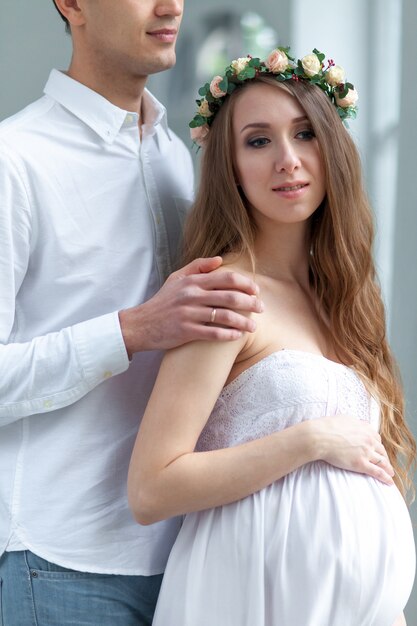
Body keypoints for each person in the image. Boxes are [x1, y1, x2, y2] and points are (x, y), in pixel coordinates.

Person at [128, 46, 416, 625]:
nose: (288, 159)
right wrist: (308, 441)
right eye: (258, 141)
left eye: (305, 134)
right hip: (245, 597)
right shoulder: (227, 292)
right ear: (230, 166)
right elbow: (152, 488)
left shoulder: (346, 303)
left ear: (332, 147)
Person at [0, 1, 265, 625]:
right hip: (62, 562)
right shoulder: (15, 160)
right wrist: (134, 329)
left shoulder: (178, 157)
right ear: (72, 4)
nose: (171, 4)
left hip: (188, 558)